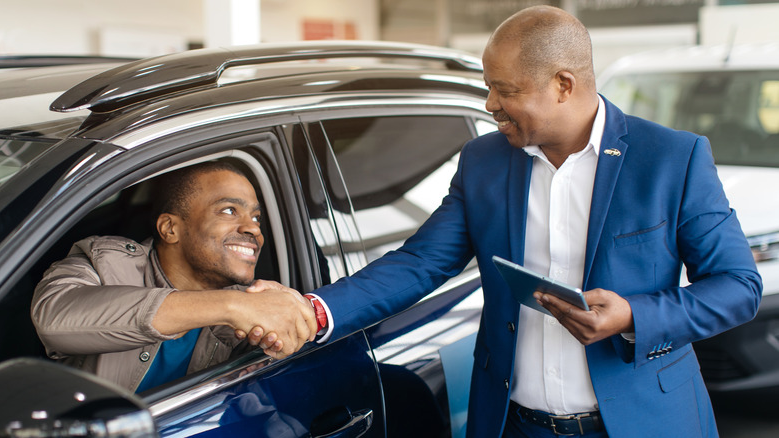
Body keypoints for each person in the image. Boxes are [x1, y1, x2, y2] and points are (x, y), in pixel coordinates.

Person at [274, 6, 762, 438]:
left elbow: (738, 287)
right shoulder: (484, 161)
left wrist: (633, 316)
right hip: (514, 424)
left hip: (643, 421)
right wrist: (313, 312)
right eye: (488, 88)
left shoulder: (672, 159)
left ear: (563, 86)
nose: (489, 106)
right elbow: (421, 262)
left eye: (503, 90)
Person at [31, 161, 317, 393]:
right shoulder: (103, 263)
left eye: (256, 218)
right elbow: (53, 318)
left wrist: (280, 339)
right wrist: (232, 306)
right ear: (170, 229)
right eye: (229, 210)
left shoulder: (252, 310)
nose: (253, 230)